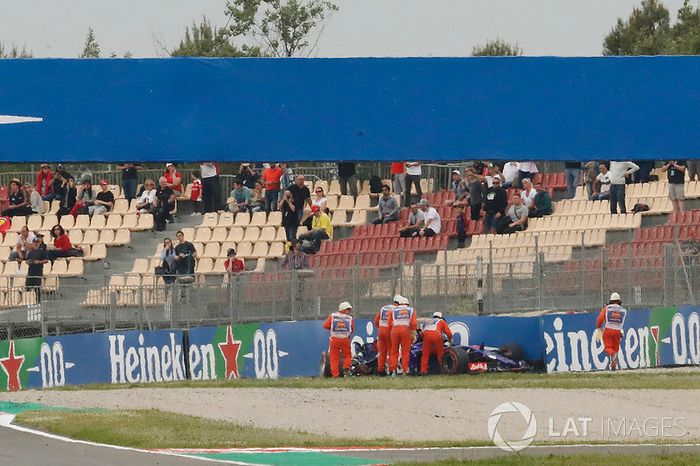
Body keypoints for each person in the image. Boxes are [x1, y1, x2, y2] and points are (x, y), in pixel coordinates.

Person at [596, 292, 628, 371]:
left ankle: (612, 355)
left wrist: (599, 326)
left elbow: (600, 318)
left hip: (608, 330)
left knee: (608, 347)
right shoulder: (622, 310)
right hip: (618, 331)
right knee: (615, 348)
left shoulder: (607, 308)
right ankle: (613, 364)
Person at [323, 301, 354, 378]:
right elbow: (352, 330)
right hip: (345, 340)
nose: (349, 311)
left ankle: (335, 375)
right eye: (348, 310)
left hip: (334, 339)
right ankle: (346, 368)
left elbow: (325, 325)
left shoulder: (333, 316)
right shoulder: (349, 318)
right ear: (345, 310)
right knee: (347, 356)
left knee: (334, 358)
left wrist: (333, 329)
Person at [387, 296, 417, 376]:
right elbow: (413, 324)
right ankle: (404, 370)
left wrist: (392, 331)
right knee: (405, 352)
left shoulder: (393, 310)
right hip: (406, 330)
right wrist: (413, 335)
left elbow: (389, 323)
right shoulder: (410, 310)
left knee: (394, 351)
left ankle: (393, 370)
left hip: (395, 330)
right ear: (407, 304)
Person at [374, 295, 401, 376]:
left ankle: (380, 369)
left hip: (381, 330)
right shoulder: (397, 309)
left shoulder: (384, 307)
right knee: (392, 351)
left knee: (382, 352)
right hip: (390, 331)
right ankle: (392, 370)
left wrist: (380, 327)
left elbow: (376, 320)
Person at [420, 311, 453, 376]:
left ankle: (423, 371)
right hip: (437, 335)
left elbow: (421, 334)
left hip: (426, 335)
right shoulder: (441, 321)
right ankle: (442, 369)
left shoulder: (427, 321)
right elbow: (448, 333)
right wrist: (450, 340)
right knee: (440, 353)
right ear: (440, 316)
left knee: (425, 354)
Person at [25, 235, 48, 301]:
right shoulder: (30, 252)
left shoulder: (42, 252)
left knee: (37, 289)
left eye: (37, 242)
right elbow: (27, 260)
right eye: (35, 242)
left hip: (38, 273)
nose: (36, 244)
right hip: (30, 273)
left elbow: (46, 260)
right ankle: (29, 301)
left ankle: (38, 301)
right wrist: (29, 262)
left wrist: (39, 262)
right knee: (28, 288)